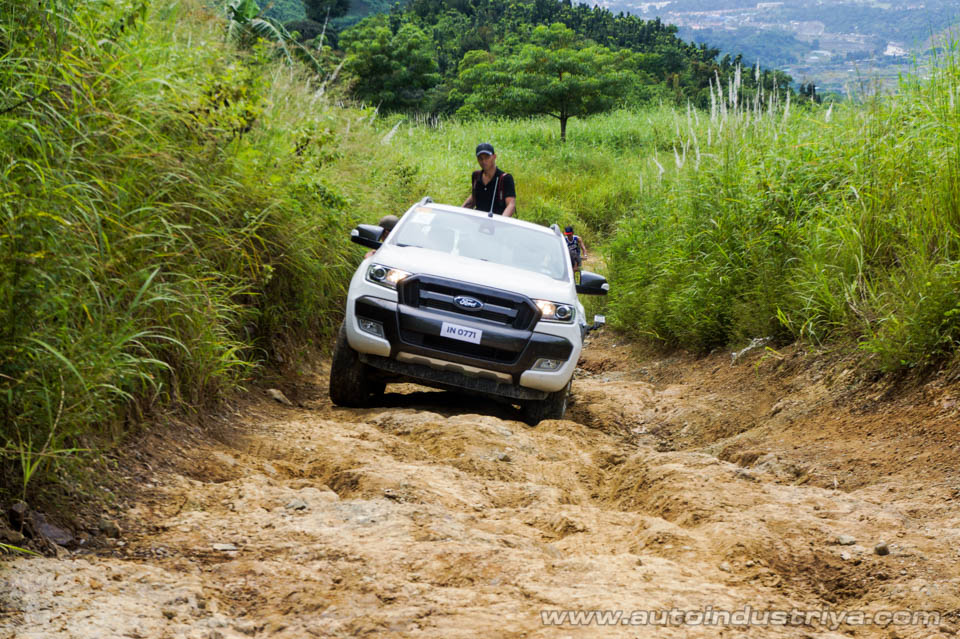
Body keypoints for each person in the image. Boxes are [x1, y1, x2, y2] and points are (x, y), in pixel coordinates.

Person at [462, 143, 516, 217]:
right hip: (478, 222)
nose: (484, 161)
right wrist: (460, 213)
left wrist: (500, 221)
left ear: (494, 157)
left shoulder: (505, 178)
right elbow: (473, 199)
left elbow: (511, 205)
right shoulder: (476, 176)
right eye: (480, 158)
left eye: (487, 157)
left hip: (497, 223)